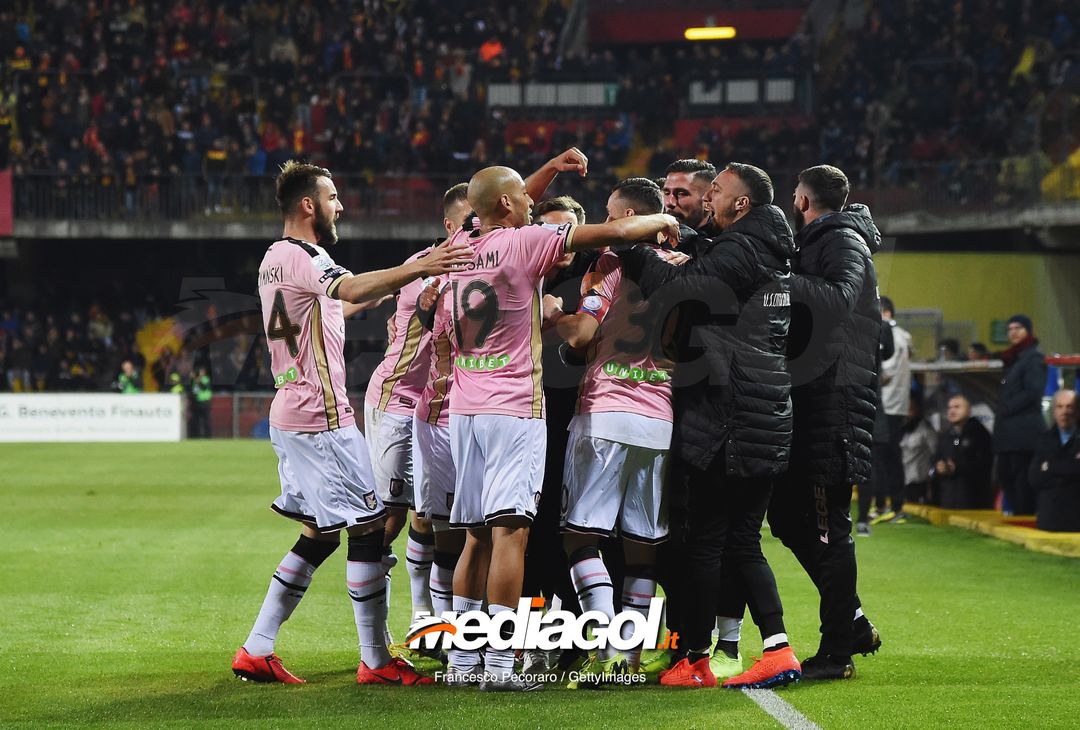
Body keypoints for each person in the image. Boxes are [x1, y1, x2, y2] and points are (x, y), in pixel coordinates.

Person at [437, 164, 680, 691]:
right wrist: (662, 216)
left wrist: (548, 169)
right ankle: (502, 665)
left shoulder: (459, 247)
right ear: (508, 207)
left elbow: (504, 200)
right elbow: (615, 232)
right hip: (514, 410)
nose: (530, 202)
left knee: (474, 538)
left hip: (465, 408)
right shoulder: (527, 242)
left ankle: (461, 660)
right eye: (521, 198)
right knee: (510, 536)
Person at [231, 160, 471, 686]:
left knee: (319, 534)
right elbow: (350, 290)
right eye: (333, 197)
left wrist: (376, 293)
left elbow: (319, 314)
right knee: (369, 529)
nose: (341, 205)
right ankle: (377, 661)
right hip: (321, 417)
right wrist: (419, 266)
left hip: (291, 412)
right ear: (308, 205)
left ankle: (257, 647)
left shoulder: (274, 259)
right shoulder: (304, 255)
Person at [617, 163, 800, 690]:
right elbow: (712, 260)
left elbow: (681, 289)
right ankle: (778, 649)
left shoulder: (742, 250)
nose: (707, 197)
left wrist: (634, 248)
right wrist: (688, 235)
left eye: (715, 191)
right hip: (762, 412)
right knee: (743, 541)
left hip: (729, 416)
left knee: (706, 539)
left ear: (741, 205)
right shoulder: (761, 249)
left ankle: (694, 658)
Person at [541, 178, 673, 681]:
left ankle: (606, 649)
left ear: (633, 217)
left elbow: (585, 333)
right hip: (660, 417)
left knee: (579, 537)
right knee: (642, 545)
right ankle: (633, 657)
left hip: (606, 411)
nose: (605, 223)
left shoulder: (610, 265)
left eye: (613, 215)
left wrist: (556, 316)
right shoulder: (690, 267)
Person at [768, 164, 883, 680]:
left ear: (803, 200)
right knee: (789, 519)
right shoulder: (822, 241)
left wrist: (783, 280)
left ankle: (837, 651)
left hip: (834, 400)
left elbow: (837, 298)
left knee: (827, 527)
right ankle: (852, 620)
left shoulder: (842, 240)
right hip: (816, 398)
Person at [993, 314, 1046, 515]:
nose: (1013, 332)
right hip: (1009, 436)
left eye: (1018, 328)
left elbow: (1033, 391)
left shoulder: (1033, 358)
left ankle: (1026, 518)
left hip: (1023, 435)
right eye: (1010, 329)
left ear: (1028, 331)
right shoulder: (1012, 360)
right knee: (1007, 477)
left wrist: (1007, 407)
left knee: (1021, 480)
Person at [871, 296, 912, 523]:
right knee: (891, 456)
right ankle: (893, 506)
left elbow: (883, 373)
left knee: (883, 457)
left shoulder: (890, 335)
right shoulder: (904, 336)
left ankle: (887, 506)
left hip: (887, 404)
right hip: (896, 404)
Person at [1029, 389, 1080, 532]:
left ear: (1077, 410)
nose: (1065, 411)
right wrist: (1071, 470)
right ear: (1054, 410)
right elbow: (1034, 477)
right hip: (1049, 520)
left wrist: (1050, 467)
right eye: (1060, 406)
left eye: (1069, 406)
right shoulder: (1044, 439)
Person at [931, 394, 994, 508]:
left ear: (969, 410)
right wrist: (939, 467)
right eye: (950, 407)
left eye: (957, 407)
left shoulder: (979, 434)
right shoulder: (946, 436)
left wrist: (956, 467)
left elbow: (982, 463)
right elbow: (936, 459)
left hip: (973, 501)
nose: (952, 411)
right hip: (948, 500)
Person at [900, 396, 938, 505]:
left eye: (910, 409)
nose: (907, 413)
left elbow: (935, 452)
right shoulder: (902, 429)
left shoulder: (926, 430)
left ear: (917, 410)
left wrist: (931, 477)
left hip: (919, 481)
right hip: (902, 480)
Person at [190, 366, 213, 438]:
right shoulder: (195, 381)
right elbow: (195, 391)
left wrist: (196, 379)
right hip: (198, 403)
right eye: (199, 372)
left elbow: (204, 386)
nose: (200, 373)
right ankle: (196, 436)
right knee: (196, 420)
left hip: (205, 403)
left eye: (202, 372)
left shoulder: (206, 379)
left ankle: (208, 436)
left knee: (206, 420)